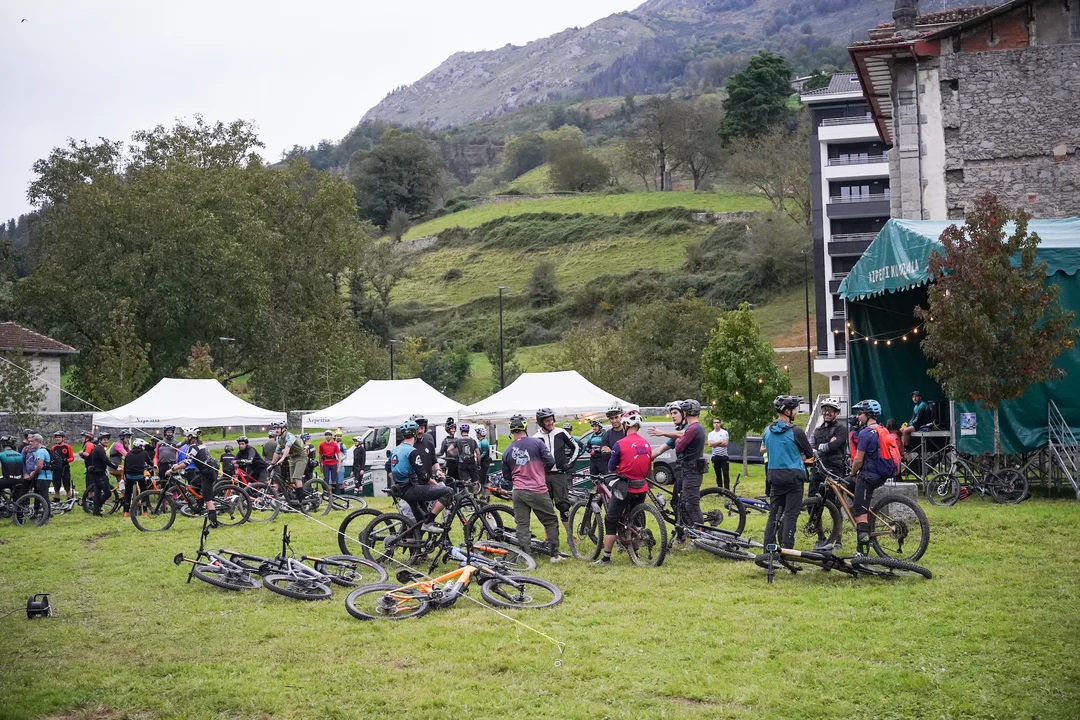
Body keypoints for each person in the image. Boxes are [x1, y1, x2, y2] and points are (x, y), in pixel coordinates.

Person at [502, 414, 561, 562]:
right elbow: (550, 461)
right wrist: (540, 471)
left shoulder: (507, 450)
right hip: (537, 489)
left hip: (518, 491)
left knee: (522, 524)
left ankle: (526, 557)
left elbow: (507, 476)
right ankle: (554, 555)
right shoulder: (537, 443)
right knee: (550, 521)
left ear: (511, 430)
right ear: (526, 427)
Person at [595, 411, 652, 566]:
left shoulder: (619, 444)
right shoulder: (646, 444)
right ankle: (635, 550)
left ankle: (606, 557)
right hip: (641, 486)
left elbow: (611, 467)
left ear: (626, 424)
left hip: (625, 487)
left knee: (611, 519)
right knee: (634, 518)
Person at [650, 400, 706, 548]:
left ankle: (694, 536)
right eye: (671, 413)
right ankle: (682, 533)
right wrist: (643, 458)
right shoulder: (680, 431)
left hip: (690, 470)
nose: (672, 416)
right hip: (681, 470)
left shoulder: (690, 428)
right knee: (677, 503)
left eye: (675, 413)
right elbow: (659, 450)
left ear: (684, 413)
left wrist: (662, 432)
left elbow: (683, 434)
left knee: (689, 504)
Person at [762, 396, 814, 550]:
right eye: (795, 409)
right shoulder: (796, 431)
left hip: (774, 477)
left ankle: (767, 549)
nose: (796, 412)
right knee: (791, 515)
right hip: (793, 478)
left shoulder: (767, 431)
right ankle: (787, 550)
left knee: (773, 515)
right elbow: (809, 453)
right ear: (787, 411)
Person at [387, 419, 451, 534]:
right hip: (412, 488)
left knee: (419, 521)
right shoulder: (412, 451)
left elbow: (389, 468)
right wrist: (437, 485)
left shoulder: (396, 449)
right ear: (415, 433)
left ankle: (414, 541)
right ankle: (428, 523)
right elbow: (424, 476)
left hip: (401, 488)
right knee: (447, 492)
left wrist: (398, 480)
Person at [850, 399, 893, 548]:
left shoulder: (865, 433)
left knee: (859, 512)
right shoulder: (882, 430)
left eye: (860, 413)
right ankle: (863, 507)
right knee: (851, 487)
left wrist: (852, 472)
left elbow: (858, 460)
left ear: (868, 415)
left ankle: (862, 550)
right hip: (882, 474)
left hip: (868, 477)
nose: (858, 416)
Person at [533, 407, 580, 543]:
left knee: (564, 506)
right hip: (543, 477)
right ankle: (549, 537)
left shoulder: (561, 432)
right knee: (546, 508)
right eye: (547, 421)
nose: (550, 422)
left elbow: (576, 447)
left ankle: (570, 536)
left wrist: (570, 464)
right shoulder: (535, 438)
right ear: (541, 422)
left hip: (559, 475)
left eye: (551, 419)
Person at [170, 428, 219, 526]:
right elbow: (188, 459)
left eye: (186, 436)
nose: (184, 438)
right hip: (207, 471)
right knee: (193, 483)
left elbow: (186, 463)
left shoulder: (194, 447)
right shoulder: (200, 444)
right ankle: (199, 504)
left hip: (207, 474)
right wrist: (177, 464)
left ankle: (214, 523)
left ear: (190, 436)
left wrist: (172, 469)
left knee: (208, 500)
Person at [810, 397, 848, 495]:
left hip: (834, 468)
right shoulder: (817, 430)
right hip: (818, 467)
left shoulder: (841, 429)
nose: (827, 413)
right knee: (812, 497)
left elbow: (833, 446)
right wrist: (826, 444)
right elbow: (810, 447)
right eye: (824, 410)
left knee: (832, 498)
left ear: (836, 413)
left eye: (830, 410)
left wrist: (820, 447)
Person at [270, 423, 308, 504]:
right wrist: (272, 464)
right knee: (292, 480)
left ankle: (302, 500)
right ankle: (296, 496)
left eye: (278, 428)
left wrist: (283, 458)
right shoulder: (279, 439)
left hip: (301, 457)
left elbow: (288, 447)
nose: (276, 430)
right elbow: (277, 451)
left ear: (284, 429)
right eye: (275, 428)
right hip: (293, 458)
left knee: (297, 478)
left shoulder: (290, 436)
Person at [87, 431, 118, 516]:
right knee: (108, 493)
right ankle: (97, 507)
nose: (106, 441)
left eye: (107, 439)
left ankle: (96, 512)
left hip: (96, 473)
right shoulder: (99, 449)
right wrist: (115, 467)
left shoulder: (98, 448)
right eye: (104, 439)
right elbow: (105, 460)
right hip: (100, 474)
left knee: (97, 493)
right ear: (100, 440)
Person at [122, 438, 151, 514]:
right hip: (140, 476)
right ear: (141, 446)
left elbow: (125, 467)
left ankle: (126, 512)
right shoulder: (144, 453)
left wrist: (126, 477)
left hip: (129, 476)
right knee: (144, 492)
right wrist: (154, 466)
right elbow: (149, 462)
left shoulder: (128, 454)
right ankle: (145, 511)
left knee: (128, 493)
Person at [24, 433, 52, 499]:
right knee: (40, 498)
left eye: (32, 441)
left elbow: (39, 466)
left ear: (37, 441)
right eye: (29, 441)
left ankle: (47, 506)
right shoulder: (40, 451)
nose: (30, 443)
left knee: (44, 498)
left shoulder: (40, 452)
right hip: (44, 477)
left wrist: (33, 473)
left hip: (43, 477)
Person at [599, 404, 626, 472]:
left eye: (616, 417)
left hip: (626, 470)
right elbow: (604, 456)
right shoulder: (607, 434)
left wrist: (611, 452)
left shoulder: (627, 433)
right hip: (612, 471)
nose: (614, 421)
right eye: (611, 418)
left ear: (621, 417)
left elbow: (630, 453)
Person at [50, 431, 74, 501]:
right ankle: (57, 498)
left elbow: (72, 458)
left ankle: (69, 498)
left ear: (63, 438)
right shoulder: (54, 447)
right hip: (56, 468)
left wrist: (66, 460)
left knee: (66, 483)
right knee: (56, 484)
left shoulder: (67, 446)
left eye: (59, 437)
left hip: (65, 468)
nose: (57, 439)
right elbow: (51, 457)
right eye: (56, 437)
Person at [708, 417, 730, 490]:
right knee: (718, 474)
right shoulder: (711, 434)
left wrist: (715, 444)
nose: (716, 424)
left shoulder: (724, 433)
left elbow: (726, 443)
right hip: (715, 456)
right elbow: (710, 444)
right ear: (713, 424)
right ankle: (720, 490)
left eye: (718, 422)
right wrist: (720, 442)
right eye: (715, 422)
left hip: (724, 456)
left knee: (725, 473)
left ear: (720, 424)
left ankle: (726, 490)